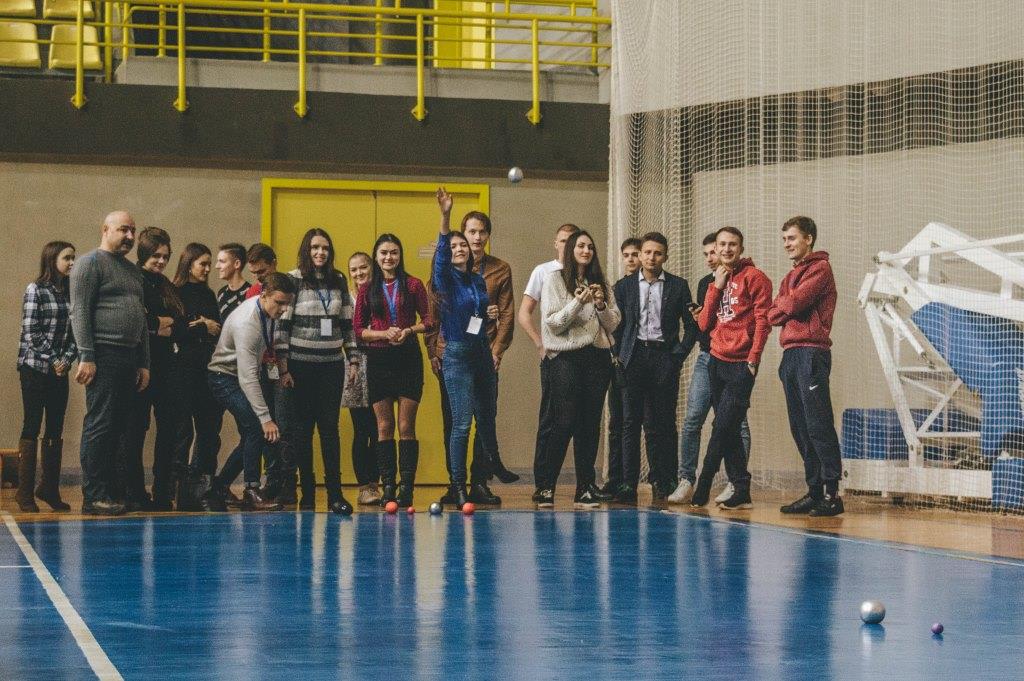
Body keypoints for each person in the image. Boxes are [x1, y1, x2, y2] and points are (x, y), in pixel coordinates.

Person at [426, 200, 517, 507]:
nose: (462, 248)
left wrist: (488, 315)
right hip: (456, 354)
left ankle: (492, 466)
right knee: (460, 423)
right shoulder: (444, 277)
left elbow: (483, 312)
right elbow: (442, 252)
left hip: (482, 352)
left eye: (463, 245)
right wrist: (445, 215)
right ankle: (458, 485)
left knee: (487, 417)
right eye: (456, 244)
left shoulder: (478, 279)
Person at [70, 211, 150, 516]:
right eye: (123, 230)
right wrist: (87, 356)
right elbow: (79, 311)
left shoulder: (132, 270)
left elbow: (141, 317)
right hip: (103, 355)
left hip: (129, 356)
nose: (130, 236)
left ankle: (114, 493)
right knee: (100, 425)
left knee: (120, 428)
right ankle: (93, 496)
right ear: (105, 229)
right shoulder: (89, 263)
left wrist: (143, 362)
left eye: (133, 231)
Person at [274, 228, 355, 515]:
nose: (320, 253)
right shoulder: (293, 279)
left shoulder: (339, 280)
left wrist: (353, 359)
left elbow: (347, 324)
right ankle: (306, 493)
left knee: (330, 429)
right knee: (302, 431)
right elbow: (282, 326)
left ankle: (335, 494)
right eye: (315, 248)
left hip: (331, 366)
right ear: (306, 250)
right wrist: (283, 367)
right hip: (300, 366)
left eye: (325, 248)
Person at [537, 230, 621, 508]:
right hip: (565, 358)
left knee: (589, 424)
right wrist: (578, 302)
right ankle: (546, 487)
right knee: (564, 422)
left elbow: (613, 323)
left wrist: (600, 304)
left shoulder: (601, 282)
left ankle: (585, 488)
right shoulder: (554, 280)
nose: (586, 251)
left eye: (590, 247)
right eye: (581, 246)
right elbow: (554, 324)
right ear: (571, 249)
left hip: (597, 358)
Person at [691, 226, 772, 510]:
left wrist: (754, 358)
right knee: (731, 427)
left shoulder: (755, 277)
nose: (726, 249)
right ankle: (742, 488)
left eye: (732, 244)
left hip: (741, 364)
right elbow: (703, 324)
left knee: (722, 424)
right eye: (722, 245)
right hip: (716, 360)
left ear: (741, 248)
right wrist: (717, 286)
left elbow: (763, 321)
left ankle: (703, 484)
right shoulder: (716, 279)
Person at [613, 231, 698, 503]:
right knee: (630, 423)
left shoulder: (678, 286)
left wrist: (678, 356)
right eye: (647, 252)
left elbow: (692, 326)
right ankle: (628, 484)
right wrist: (619, 356)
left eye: (657, 253)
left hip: (664, 358)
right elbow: (615, 325)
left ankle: (664, 479)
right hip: (633, 358)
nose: (651, 257)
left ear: (665, 257)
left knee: (663, 423)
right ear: (640, 255)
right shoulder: (623, 286)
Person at [768, 216, 844, 516]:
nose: (787, 244)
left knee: (817, 423)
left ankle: (832, 494)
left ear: (808, 238)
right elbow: (772, 314)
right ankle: (814, 491)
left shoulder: (820, 268)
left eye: (792, 238)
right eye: (784, 239)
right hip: (791, 354)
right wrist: (784, 305)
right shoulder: (790, 276)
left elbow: (792, 304)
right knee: (799, 426)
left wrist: (785, 305)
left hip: (812, 352)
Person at [669, 234, 752, 505]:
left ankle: (736, 483)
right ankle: (686, 479)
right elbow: (704, 326)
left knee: (736, 423)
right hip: (707, 357)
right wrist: (701, 316)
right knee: (693, 418)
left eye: (712, 252)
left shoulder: (745, 280)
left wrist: (751, 359)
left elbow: (745, 321)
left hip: (734, 361)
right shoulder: (706, 282)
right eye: (706, 254)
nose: (709, 258)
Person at [353, 233, 434, 508]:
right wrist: (382, 333)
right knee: (384, 426)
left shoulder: (413, 284)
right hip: (378, 360)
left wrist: (409, 330)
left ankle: (406, 487)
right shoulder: (367, 289)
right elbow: (358, 330)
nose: (389, 257)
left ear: (400, 255)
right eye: (384, 253)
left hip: (407, 358)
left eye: (394, 252)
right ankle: (387, 486)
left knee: (406, 426)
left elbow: (430, 320)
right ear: (376, 257)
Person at [208, 273, 297, 511]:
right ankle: (250, 490)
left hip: (240, 376)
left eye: (287, 304)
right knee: (257, 427)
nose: (283, 310)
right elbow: (247, 376)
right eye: (279, 303)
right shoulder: (248, 322)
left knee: (252, 433)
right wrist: (266, 418)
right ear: (264, 295)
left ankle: (219, 487)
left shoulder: (267, 312)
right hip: (224, 377)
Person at [118, 227, 192, 511]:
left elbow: (181, 324)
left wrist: (163, 324)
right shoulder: (133, 280)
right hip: (140, 364)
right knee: (135, 429)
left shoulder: (166, 284)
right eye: (156, 256)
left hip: (167, 365)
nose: (161, 261)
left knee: (169, 429)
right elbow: (139, 322)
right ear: (143, 254)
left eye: (165, 256)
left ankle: (163, 491)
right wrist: (159, 324)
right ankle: (134, 492)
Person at [517, 222, 580, 502]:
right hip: (554, 358)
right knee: (551, 419)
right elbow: (524, 313)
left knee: (579, 421)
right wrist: (540, 344)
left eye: (573, 240)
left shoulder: (585, 273)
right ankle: (543, 482)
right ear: (556, 243)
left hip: (581, 359)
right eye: (563, 240)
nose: (567, 245)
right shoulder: (543, 272)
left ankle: (584, 484)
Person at [16, 241, 77, 512]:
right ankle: (24, 493)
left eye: (74, 258)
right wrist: (54, 360)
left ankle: (49, 489)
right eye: (67, 258)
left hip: (59, 369)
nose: (72, 262)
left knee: (55, 427)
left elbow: (77, 333)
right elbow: (31, 332)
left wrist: (66, 360)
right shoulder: (36, 290)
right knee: (32, 425)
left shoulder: (72, 292)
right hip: (34, 369)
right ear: (52, 260)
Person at [173, 242, 225, 510]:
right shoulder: (175, 292)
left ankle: (203, 488)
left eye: (209, 263)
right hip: (182, 369)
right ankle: (179, 490)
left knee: (209, 431)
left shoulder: (208, 293)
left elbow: (217, 328)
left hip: (207, 367)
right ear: (189, 263)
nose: (208, 268)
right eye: (203, 263)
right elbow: (177, 329)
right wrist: (203, 325)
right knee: (182, 432)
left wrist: (202, 325)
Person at [598, 237, 641, 497]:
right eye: (627, 255)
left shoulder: (647, 289)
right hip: (616, 361)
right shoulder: (617, 289)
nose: (632, 259)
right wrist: (614, 355)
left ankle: (628, 480)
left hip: (637, 363)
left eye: (635, 254)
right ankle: (614, 479)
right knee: (616, 422)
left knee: (631, 423)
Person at [346, 252, 380, 505]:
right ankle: (363, 486)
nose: (359, 273)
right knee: (361, 429)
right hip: (354, 367)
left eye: (363, 267)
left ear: (372, 268)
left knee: (380, 428)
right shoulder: (346, 300)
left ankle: (376, 484)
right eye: (354, 270)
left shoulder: (380, 295)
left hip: (380, 364)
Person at [215, 242, 251, 320]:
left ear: (237, 264)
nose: (217, 266)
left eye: (222, 261)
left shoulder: (250, 293)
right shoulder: (221, 293)